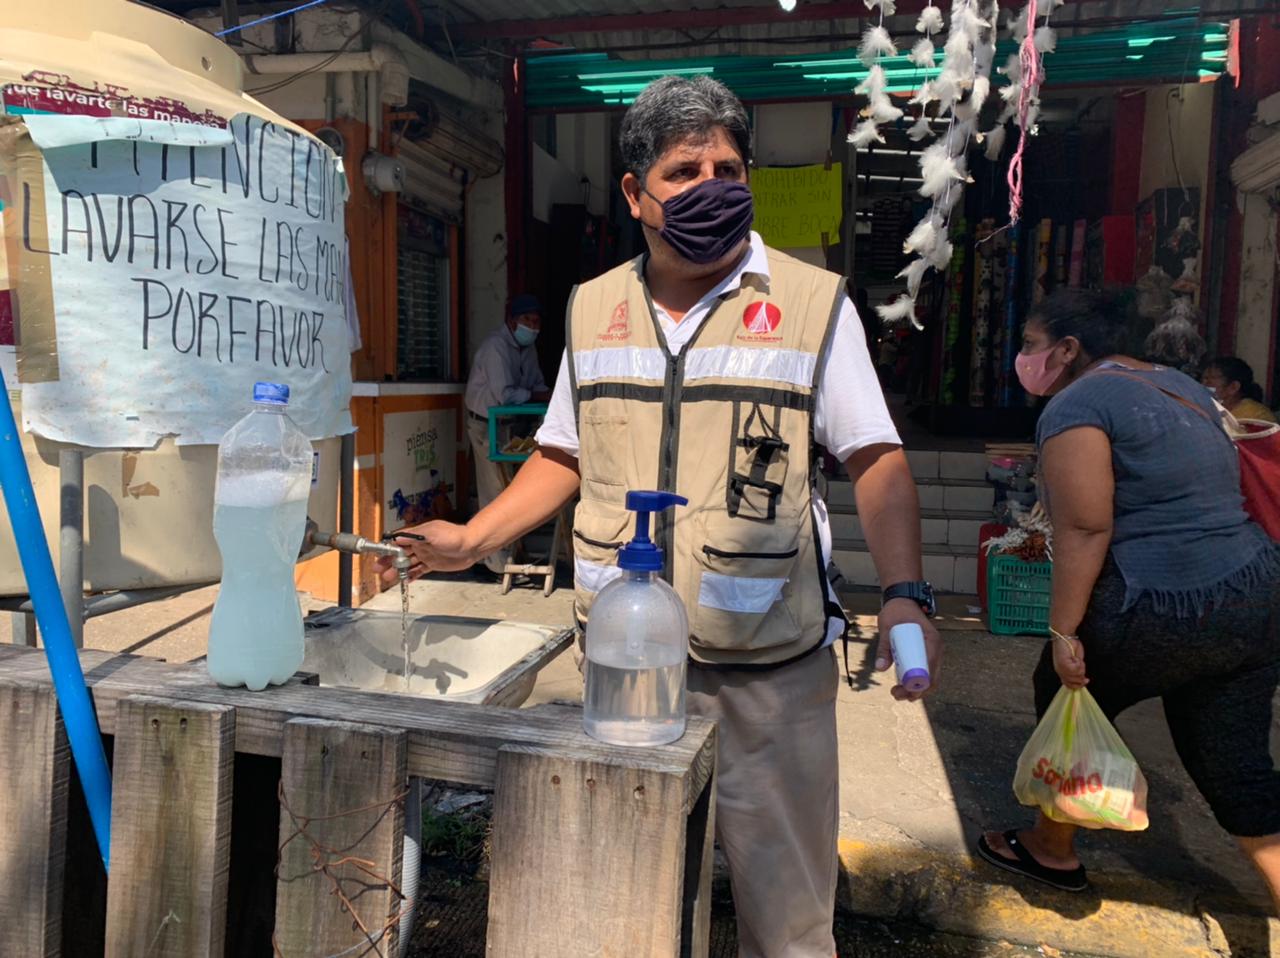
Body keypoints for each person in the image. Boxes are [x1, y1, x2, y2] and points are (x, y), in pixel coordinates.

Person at [379, 75, 941, 957]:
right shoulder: (593, 307)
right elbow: (563, 453)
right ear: (636, 195)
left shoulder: (809, 304)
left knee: (787, 917)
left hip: (769, 668)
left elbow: (876, 456)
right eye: (685, 171)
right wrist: (472, 539)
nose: (714, 185)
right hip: (627, 664)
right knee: (617, 896)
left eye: (728, 165)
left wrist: (906, 592)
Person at [976, 288, 1280, 913]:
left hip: (1161, 601)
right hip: (1254, 593)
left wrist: (1063, 633)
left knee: (1068, 691)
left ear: (1067, 348)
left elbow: (1085, 527)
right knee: (1236, 764)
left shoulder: (1077, 404)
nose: (1023, 357)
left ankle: (1052, 848)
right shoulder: (1181, 384)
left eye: (1031, 344)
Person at [462, 294, 551, 574]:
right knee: (494, 491)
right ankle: (494, 565)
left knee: (512, 490)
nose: (533, 327)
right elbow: (506, 396)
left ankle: (507, 555)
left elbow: (537, 383)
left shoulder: (529, 348)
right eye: (527, 321)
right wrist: (539, 394)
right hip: (484, 424)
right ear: (512, 321)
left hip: (509, 426)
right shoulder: (495, 348)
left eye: (536, 322)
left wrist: (542, 393)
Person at [1202, 356, 1277, 424]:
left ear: (1233, 387)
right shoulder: (1205, 409)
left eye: (1209, 380)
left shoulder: (1257, 416)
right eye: (1203, 379)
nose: (1203, 384)